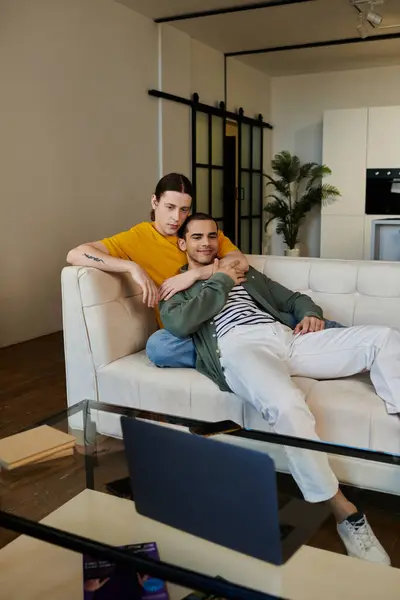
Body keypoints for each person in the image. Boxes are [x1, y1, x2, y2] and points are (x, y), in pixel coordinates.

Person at [160, 212, 400, 565]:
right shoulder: (177, 286)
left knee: (384, 338)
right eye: (196, 237)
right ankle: (345, 513)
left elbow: (291, 299)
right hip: (240, 348)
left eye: (212, 236)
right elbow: (179, 324)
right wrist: (218, 278)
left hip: (286, 339)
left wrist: (309, 313)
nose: (206, 243)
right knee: (287, 405)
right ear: (182, 243)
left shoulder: (246, 272)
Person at [66, 173, 248, 366]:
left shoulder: (199, 231)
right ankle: (234, 356)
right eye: (170, 207)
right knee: (159, 347)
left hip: (223, 316)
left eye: (184, 209)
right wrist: (131, 267)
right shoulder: (138, 237)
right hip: (185, 327)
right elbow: (76, 254)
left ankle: (230, 353)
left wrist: (193, 275)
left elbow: (240, 262)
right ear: (155, 201)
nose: (176, 217)